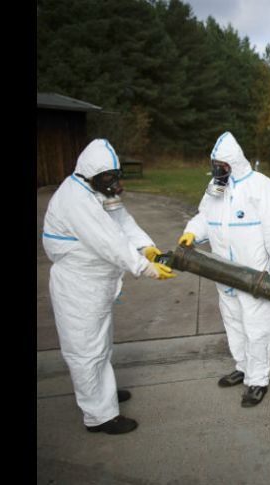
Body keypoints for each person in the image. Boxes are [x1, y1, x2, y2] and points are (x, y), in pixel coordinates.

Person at [42, 139, 176, 435]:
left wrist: (146, 247)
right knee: (86, 349)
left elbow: (121, 221)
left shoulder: (96, 188)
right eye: (108, 178)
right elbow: (108, 240)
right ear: (89, 174)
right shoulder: (75, 199)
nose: (114, 183)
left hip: (95, 283)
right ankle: (99, 417)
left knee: (100, 342)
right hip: (78, 285)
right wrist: (144, 267)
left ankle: (103, 394)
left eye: (116, 176)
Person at [178, 131, 270, 407]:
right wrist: (192, 232)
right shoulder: (217, 187)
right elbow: (205, 217)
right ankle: (242, 367)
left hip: (254, 276)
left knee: (257, 328)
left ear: (234, 163)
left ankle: (258, 380)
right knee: (233, 323)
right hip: (223, 273)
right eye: (215, 164)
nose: (217, 170)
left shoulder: (263, 188)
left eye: (222, 165)